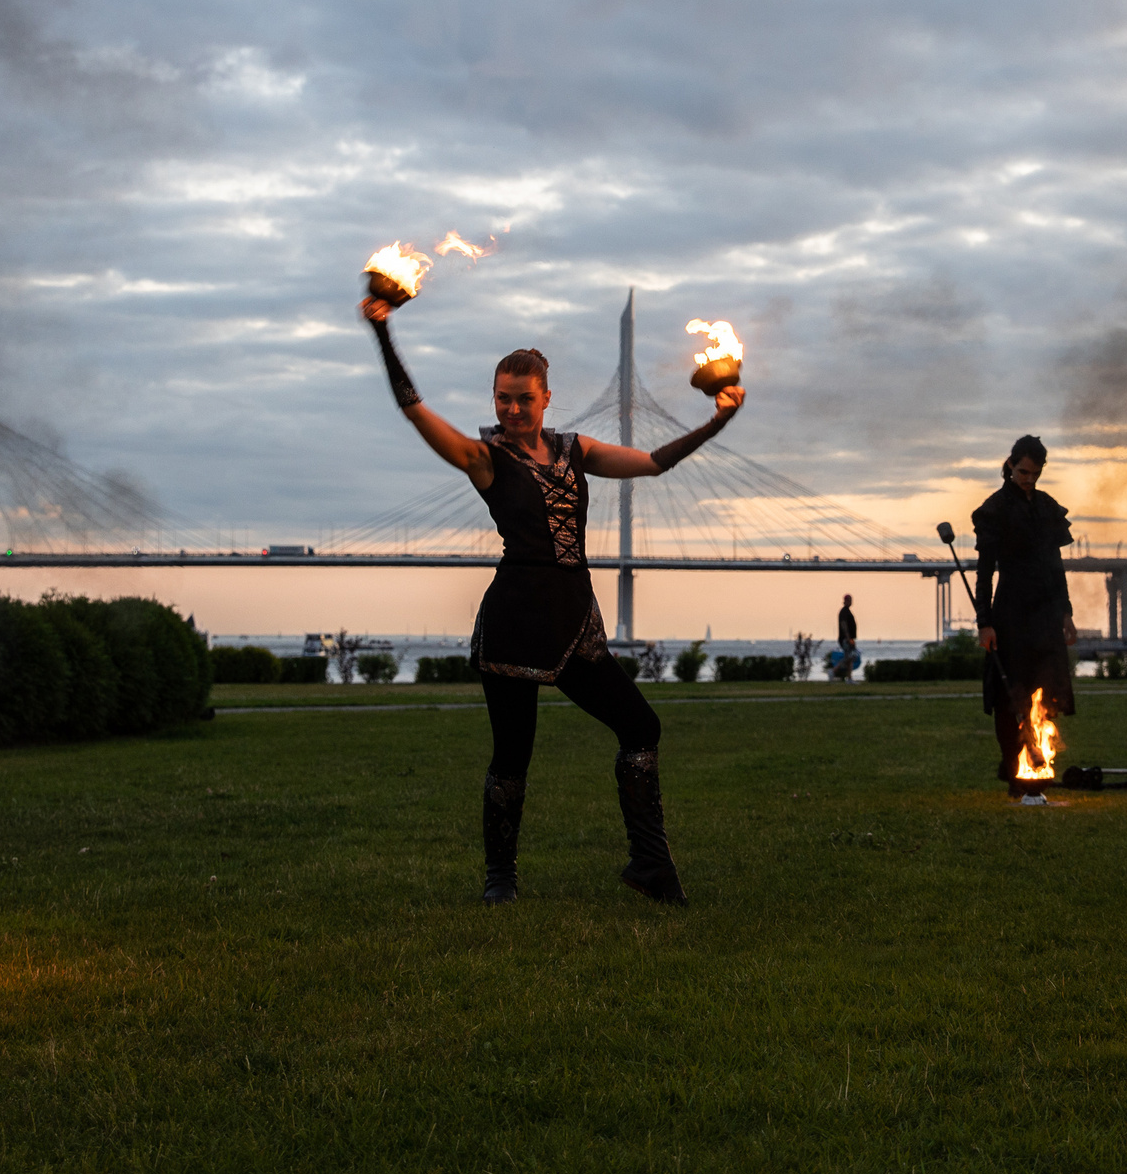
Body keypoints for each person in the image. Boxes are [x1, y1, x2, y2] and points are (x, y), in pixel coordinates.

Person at [362, 292, 744, 905]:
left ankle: (650, 864)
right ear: (495, 401)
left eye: (524, 398)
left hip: (574, 621)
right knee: (513, 756)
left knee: (641, 725)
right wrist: (382, 332)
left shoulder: (576, 451)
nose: (513, 409)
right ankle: (499, 881)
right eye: (502, 398)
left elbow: (651, 463)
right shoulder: (485, 460)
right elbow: (414, 412)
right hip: (516, 620)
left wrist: (718, 421)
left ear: (546, 398)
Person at [973, 435, 1075, 800]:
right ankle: (1016, 772)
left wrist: (1066, 613)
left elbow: (1056, 566)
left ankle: (1040, 762)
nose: (1029, 479)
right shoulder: (995, 510)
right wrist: (984, 622)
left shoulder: (1047, 508)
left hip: (1046, 612)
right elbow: (984, 574)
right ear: (1011, 466)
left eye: (1035, 473)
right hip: (1011, 612)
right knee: (1010, 695)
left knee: (1047, 689)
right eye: (1022, 472)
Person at [826, 594, 861, 680]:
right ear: (845, 601)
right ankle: (834, 671)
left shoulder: (848, 611)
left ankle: (849, 678)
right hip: (845, 639)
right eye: (849, 600)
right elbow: (844, 625)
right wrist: (848, 638)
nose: (850, 602)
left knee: (850, 658)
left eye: (851, 600)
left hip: (850, 638)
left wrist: (852, 639)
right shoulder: (844, 612)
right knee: (848, 657)